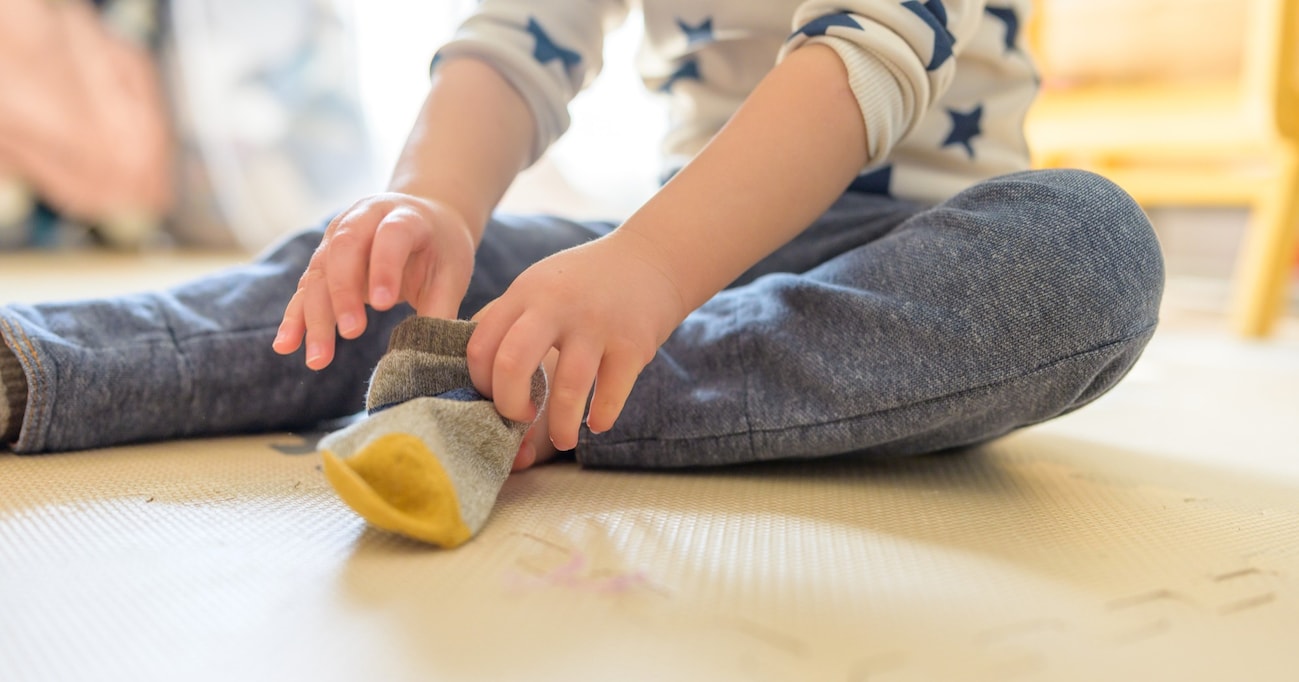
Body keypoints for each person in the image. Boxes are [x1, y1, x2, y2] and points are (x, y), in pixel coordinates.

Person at [0, 1, 1163, 545]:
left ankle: (541, 385)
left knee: (1095, 240)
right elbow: (515, 39)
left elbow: (866, 59)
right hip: (665, 264)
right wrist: (434, 200)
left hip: (910, 252)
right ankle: (44, 363)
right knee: (392, 258)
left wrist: (649, 275)